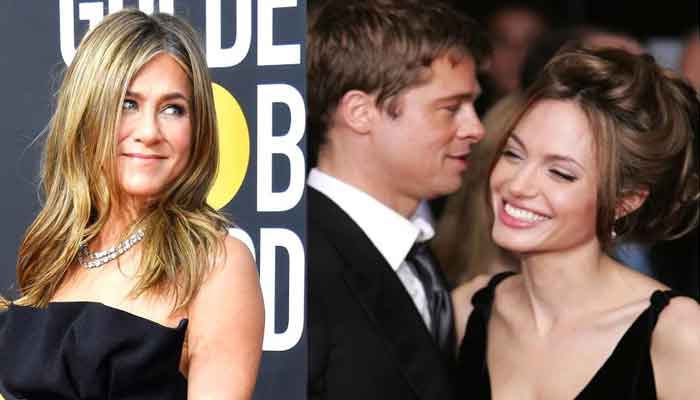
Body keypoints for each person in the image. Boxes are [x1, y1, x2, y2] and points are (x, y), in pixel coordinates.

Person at [0, 9, 264, 399]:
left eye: (173, 109)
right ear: (87, 114)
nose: (149, 132)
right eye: (128, 104)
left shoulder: (216, 263)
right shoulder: (54, 256)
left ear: (199, 127)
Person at [453, 47, 700, 399]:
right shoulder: (467, 309)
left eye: (560, 173)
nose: (517, 185)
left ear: (624, 201)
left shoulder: (677, 333)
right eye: (513, 154)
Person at [306, 1, 489, 399]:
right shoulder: (298, 263)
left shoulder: (414, 255)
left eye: (473, 105)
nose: (476, 128)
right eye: (451, 108)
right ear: (360, 112)